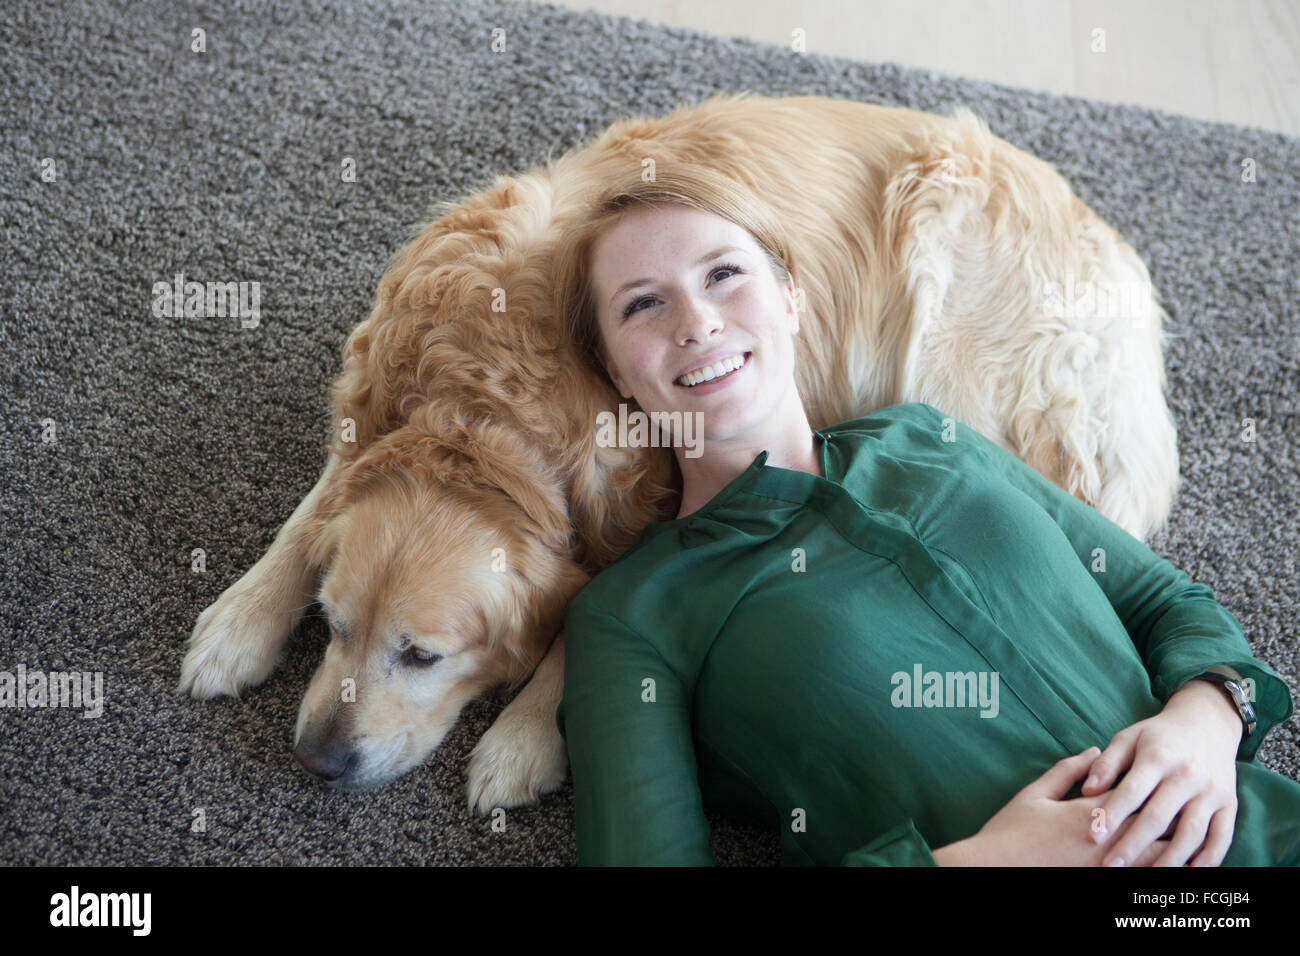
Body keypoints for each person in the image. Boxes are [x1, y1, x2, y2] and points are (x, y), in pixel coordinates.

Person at [550, 163, 1300, 866]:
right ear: (615, 368)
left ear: (790, 295)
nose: (697, 321)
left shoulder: (928, 435)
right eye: (644, 303)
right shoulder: (631, 616)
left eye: (724, 274)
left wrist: (1209, 715)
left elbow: (1163, 600)